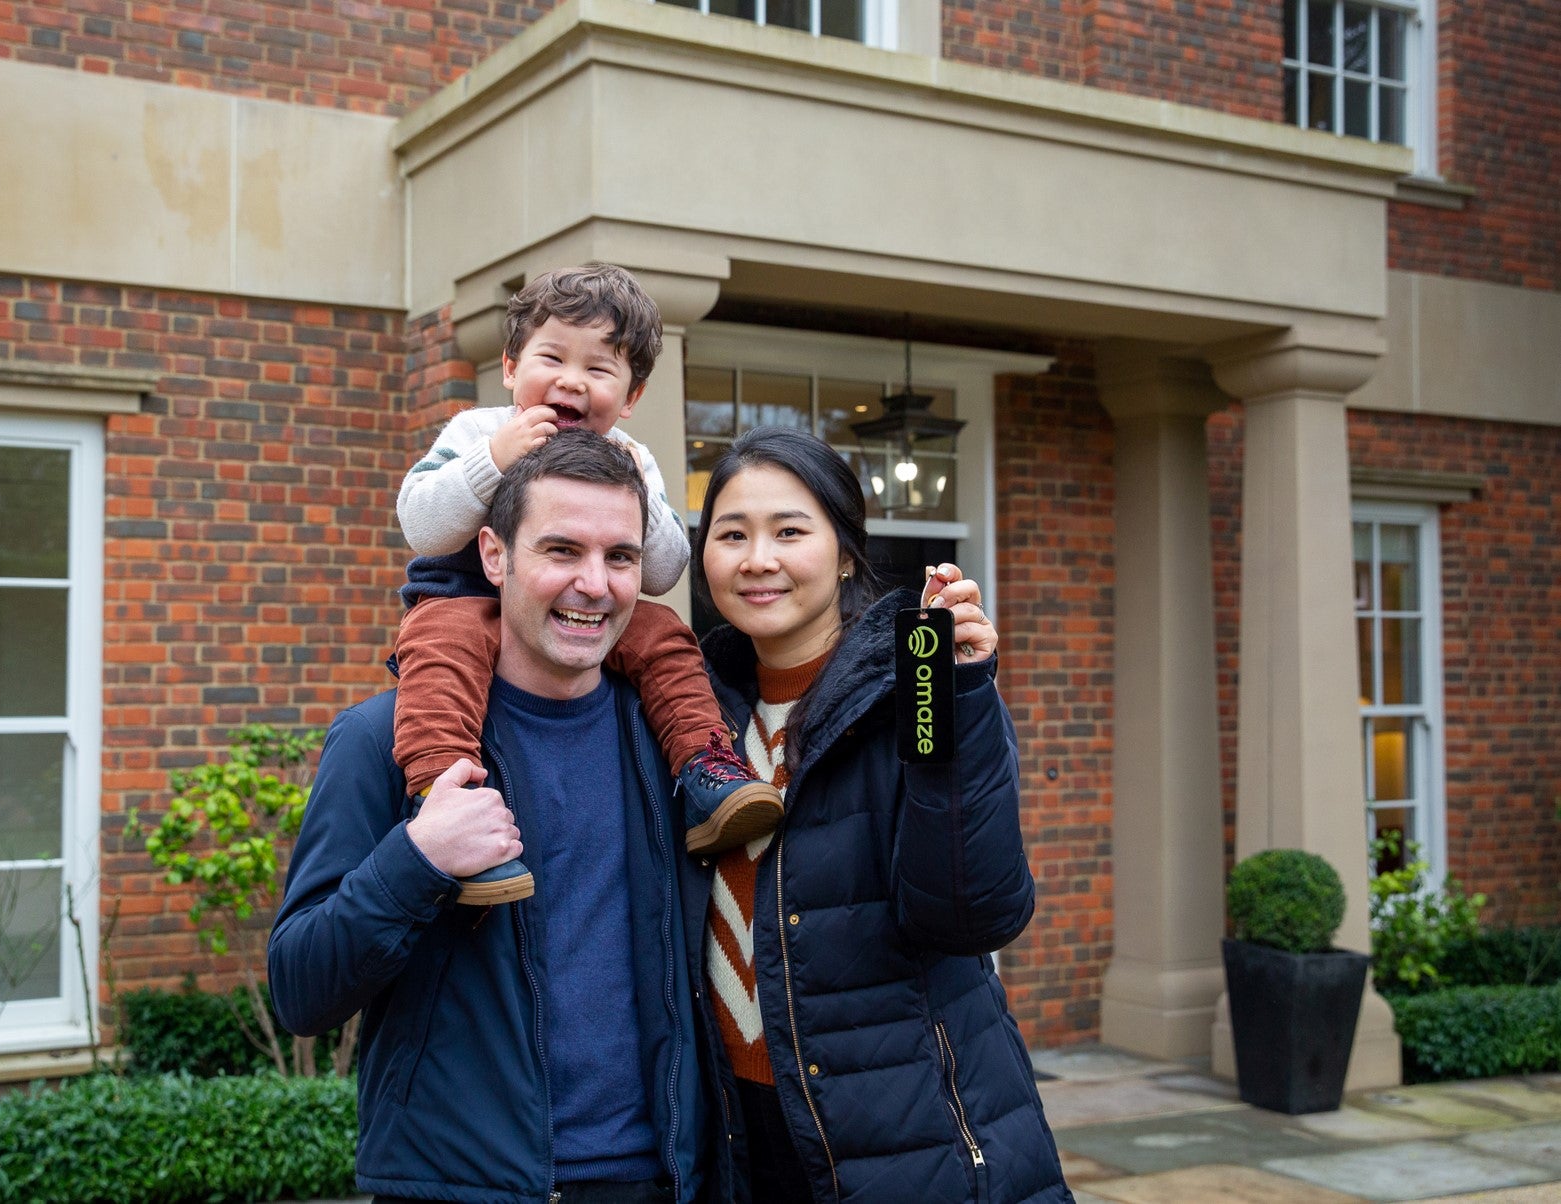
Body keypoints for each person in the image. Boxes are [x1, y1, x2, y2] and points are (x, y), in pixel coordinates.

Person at [269, 430, 718, 1204]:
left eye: (619, 557)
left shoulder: (676, 747)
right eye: (561, 550)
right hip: (460, 1185)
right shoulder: (383, 739)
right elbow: (300, 991)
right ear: (494, 556)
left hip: (659, 1181)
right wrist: (415, 860)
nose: (595, 585)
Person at [683, 427, 1072, 1203]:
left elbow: (970, 913)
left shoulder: (915, 691)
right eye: (732, 534)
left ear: (845, 553)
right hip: (736, 1137)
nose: (757, 558)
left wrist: (958, 698)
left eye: (789, 531)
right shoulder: (695, 714)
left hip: (905, 1141)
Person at [392, 262, 781, 904]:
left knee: (664, 636)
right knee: (439, 657)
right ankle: (447, 802)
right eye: (553, 358)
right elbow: (422, 525)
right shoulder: (479, 432)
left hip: (583, 611)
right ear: (512, 367)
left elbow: (659, 570)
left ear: (630, 397)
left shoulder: (631, 457)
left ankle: (707, 771)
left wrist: (642, 494)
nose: (572, 381)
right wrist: (492, 464)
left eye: (599, 370)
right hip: (463, 598)